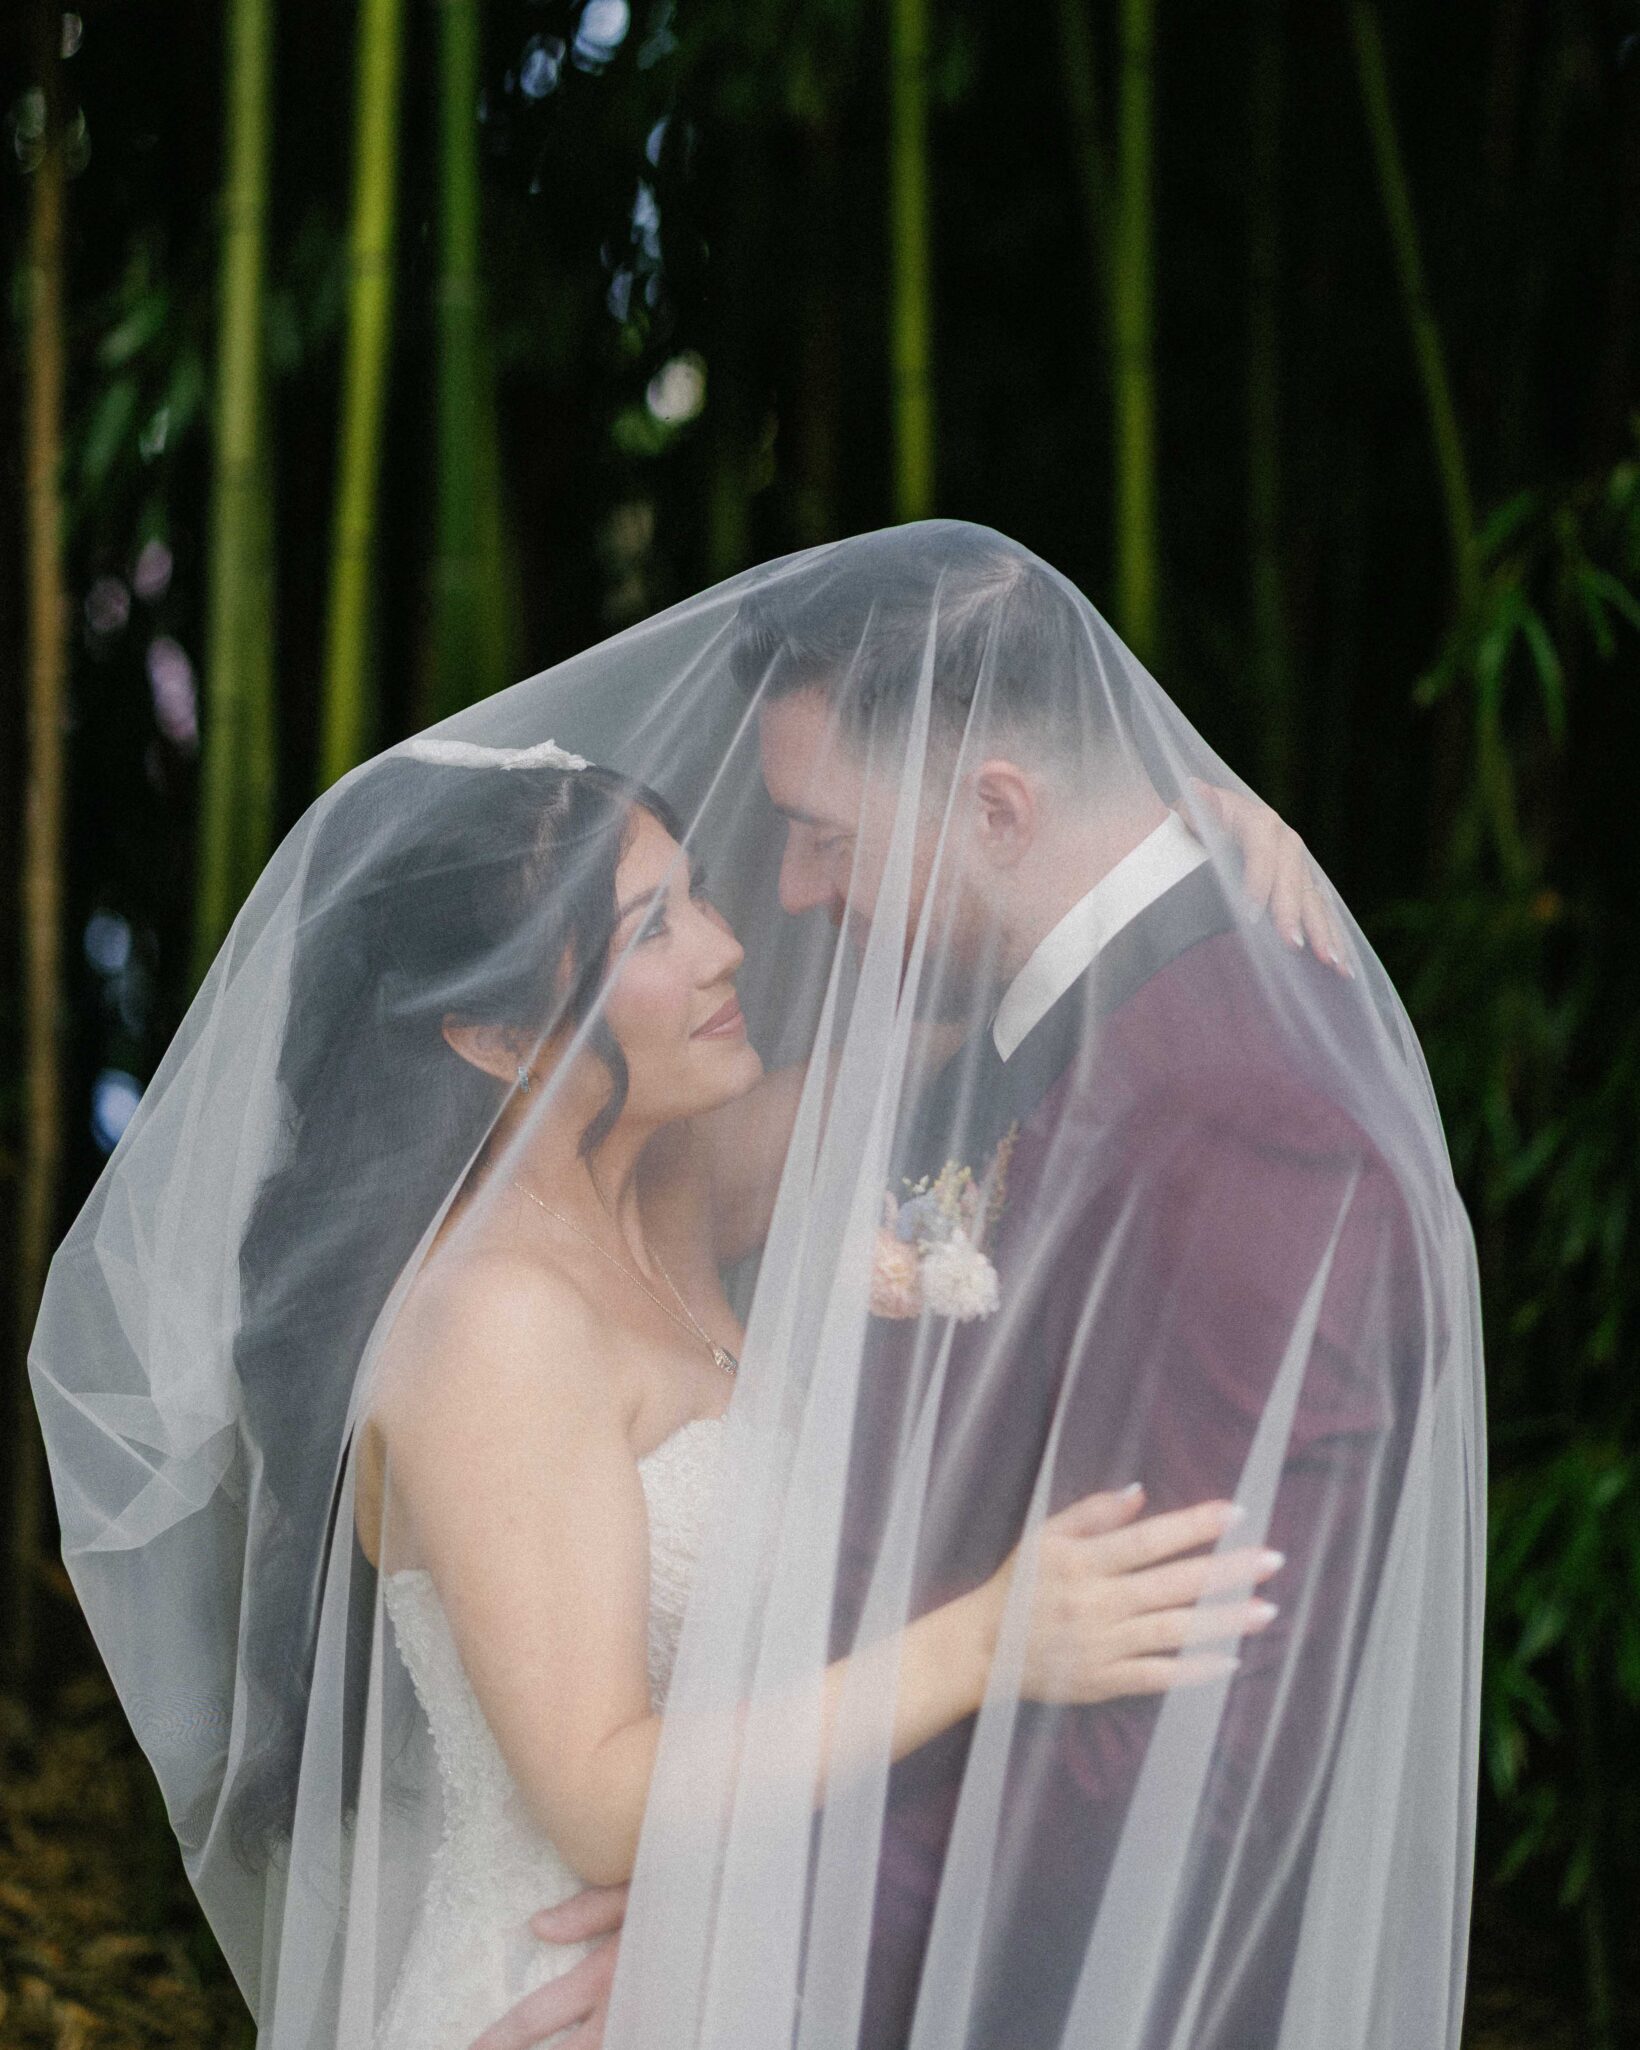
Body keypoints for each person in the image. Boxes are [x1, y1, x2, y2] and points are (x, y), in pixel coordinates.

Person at [28, 522, 1481, 2050]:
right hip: (578, 1976)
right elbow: (594, 1791)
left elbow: (1017, 992)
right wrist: (982, 1641)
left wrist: (1195, 835)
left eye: (705, 887)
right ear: (499, 1035)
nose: (746, 934)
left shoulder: (683, 1176)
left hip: (749, 1943)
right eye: (654, 928)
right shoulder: (489, 1324)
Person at [469, 525, 1481, 2050]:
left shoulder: (1249, 1112)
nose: (788, 895)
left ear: (1000, 808)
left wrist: (764, 1957)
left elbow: (1191, 1749)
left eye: (826, 837)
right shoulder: (1035, 1032)